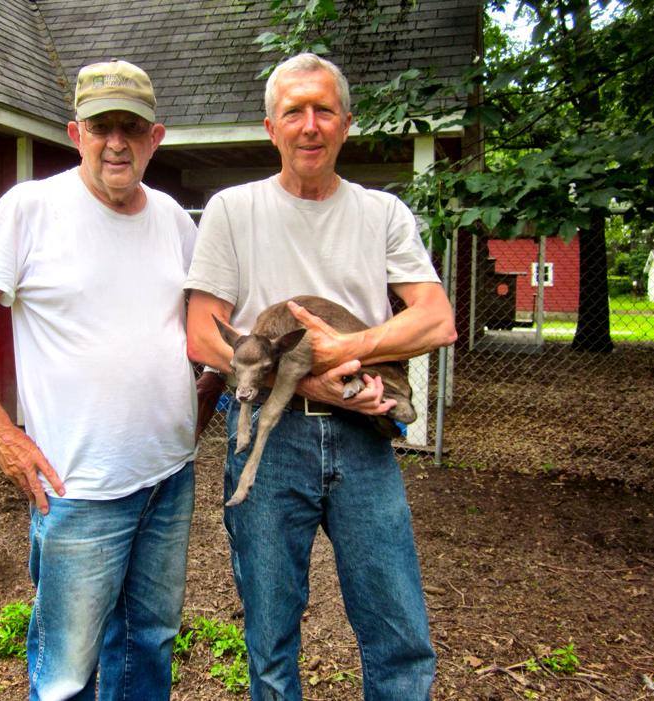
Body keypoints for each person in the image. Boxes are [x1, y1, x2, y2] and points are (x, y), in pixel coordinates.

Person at [0, 60, 198, 701]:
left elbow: (188, 330)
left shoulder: (175, 221)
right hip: (78, 488)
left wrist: (199, 403)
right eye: (102, 126)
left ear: (156, 136)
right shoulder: (31, 209)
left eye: (132, 127)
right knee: (66, 673)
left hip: (169, 477)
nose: (117, 142)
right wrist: (3, 437)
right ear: (77, 133)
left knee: (148, 644)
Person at [184, 52, 457, 700]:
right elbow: (201, 332)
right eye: (293, 112)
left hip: (364, 437)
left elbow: (438, 319)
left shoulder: (381, 213)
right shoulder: (231, 210)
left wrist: (345, 348)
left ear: (346, 123)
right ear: (270, 127)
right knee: (271, 639)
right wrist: (305, 379)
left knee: (399, 634)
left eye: (323, 110)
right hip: (268, 443)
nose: (309, 125)